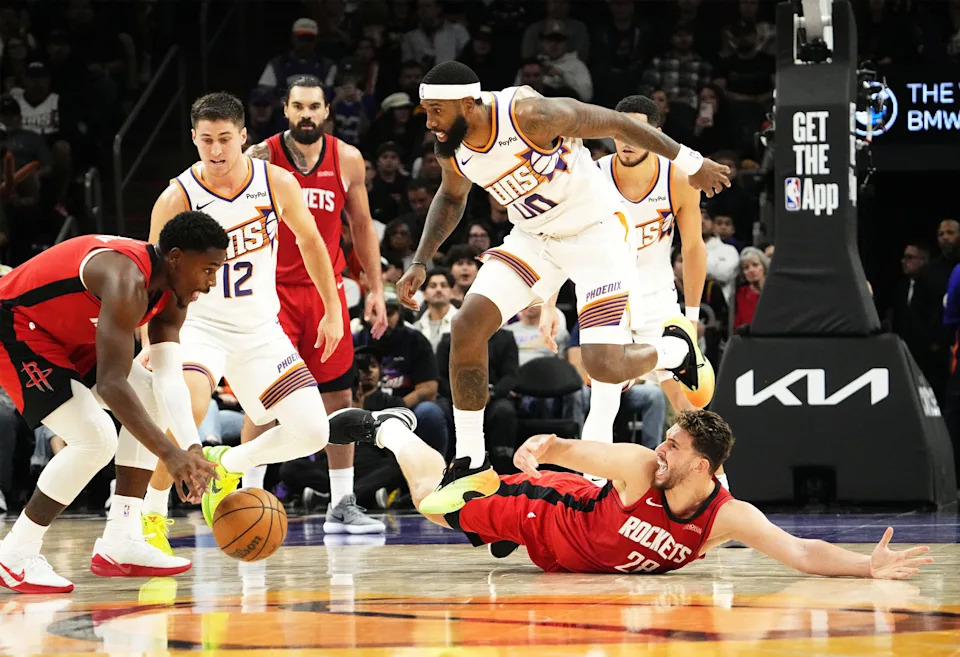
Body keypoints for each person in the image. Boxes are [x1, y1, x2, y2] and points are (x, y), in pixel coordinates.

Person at [396, 61, 730, 515]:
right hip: (534, 240)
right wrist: (420, 259)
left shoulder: (531, 113)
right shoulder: (450, 146)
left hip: (596, 235)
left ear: (469, 102)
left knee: (604, 367)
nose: (431, 122)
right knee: (468, 324)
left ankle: (676, 353)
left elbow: (613, 122)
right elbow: (452, 197)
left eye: (437, 110)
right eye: (425, 111)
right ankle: (471, 461)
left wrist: (693, 161)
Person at [328, 407, 934, 579]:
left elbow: (800, 552)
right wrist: (537, 451)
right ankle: (394, 430)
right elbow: (567, 450)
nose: (661, 450)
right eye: (665, 441)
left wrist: (866, 567)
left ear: (705, 466)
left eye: (674, 446)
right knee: (435, 502)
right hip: (547, 511)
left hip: (574, 560)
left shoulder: (727, 516)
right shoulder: (641, 468)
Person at [139, 92, 343, 551]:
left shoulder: (276, 183)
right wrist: (147, 340)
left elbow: (312, 243)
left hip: (259, 330)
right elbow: (146, 273)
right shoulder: (178, 196)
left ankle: (229, 462)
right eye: (206, 139)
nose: (216, 150)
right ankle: (151, 514)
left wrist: (333, 309)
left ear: (244, 137)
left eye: (225, 139)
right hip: (198, 327)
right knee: (188, 407)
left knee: (313, 431)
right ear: (193, 138)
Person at [0, 212, 228, 593]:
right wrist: (170, 456)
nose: (211, 281)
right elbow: (111, 384)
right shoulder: (126, 279)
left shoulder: (173, 296)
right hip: (15, 327)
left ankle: (121, 540)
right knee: (96, 439)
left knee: (151, 396)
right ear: (175, 257)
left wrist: (191, 446)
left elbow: (168, 380)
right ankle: (15, 554)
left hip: (65, 335)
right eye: (208, 269)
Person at [541, 94, 716, 486]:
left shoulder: (677, 176)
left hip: (657, 297)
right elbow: (555, 238)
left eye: (637, 131)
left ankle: (718, 495)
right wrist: (548, 304)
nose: (627, 139)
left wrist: (689, 319)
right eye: (619, 131)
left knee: (688, 403)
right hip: (604, 296)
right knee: (603, 400)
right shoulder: (591, 177)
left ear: (656, 133)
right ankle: (591, 495)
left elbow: (692, 248)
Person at [243, 74, 388, 534]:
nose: (306, 115)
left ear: (327, 111)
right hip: (273, 293)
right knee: (264, 400)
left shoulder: (347, 159)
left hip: (327, 293)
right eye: (298, 107)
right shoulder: (260, 157)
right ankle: (250, 497)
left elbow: (362, 228)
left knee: (338, 397)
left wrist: (377, 289)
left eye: (314, 107)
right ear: (285, 110)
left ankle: (341, 503)